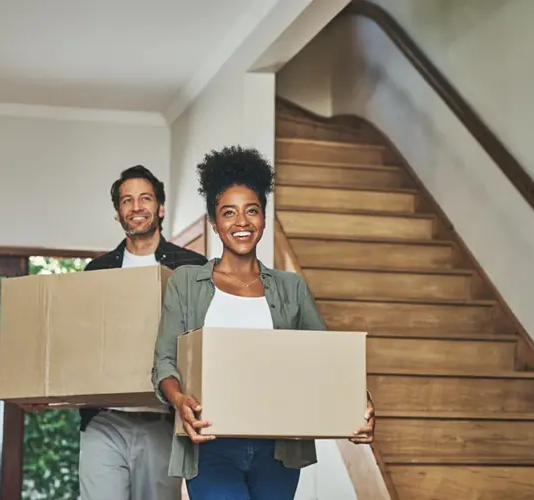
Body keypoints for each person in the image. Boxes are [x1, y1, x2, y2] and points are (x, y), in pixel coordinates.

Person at [152, 146, 375, 500]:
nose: (241, 222)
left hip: (279, 450)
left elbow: (327, 359)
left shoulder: (291, 288)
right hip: (211, 444)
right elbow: (165, 360)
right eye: (229, 212)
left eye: (251, 210)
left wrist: (359, 401)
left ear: (264, 219)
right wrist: (179, 399)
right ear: (214, 223)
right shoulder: (186, 283)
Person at [23, 165, 207, 500]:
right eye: (127, 200)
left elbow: (204, 340)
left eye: (145, 198)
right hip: (104, 420)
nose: (137, 207)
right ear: (118, 214)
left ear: (160, 208)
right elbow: (77, 342)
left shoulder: (192, 267)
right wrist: (45, 390)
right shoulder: (97, 271)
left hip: (163, 420)